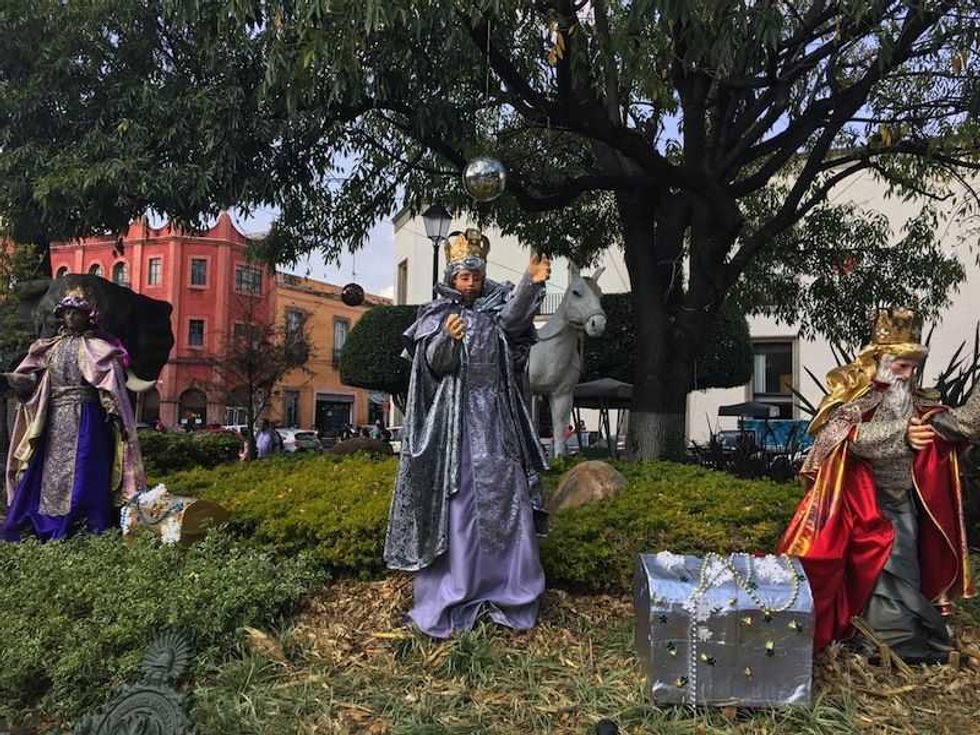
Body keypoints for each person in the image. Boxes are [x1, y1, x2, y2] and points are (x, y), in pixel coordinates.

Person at [779, 308, 977, 663]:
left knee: (907, 570)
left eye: (913, 368)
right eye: (901, 366)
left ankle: (900, 638)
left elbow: (959, 425)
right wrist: (902, 434)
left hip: (906, 503)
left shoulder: (921, 405)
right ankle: (882, 639)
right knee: (876, 572)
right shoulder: (857, 402)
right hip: (864, 507)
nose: (908, 375)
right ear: (879, 362)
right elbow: (840, 439)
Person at [384, 227, 551, 638]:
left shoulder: (495, 310)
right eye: (464, 276)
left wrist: (531, 282)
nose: (472, 282)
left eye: (476, 274)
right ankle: (456, 590)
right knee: (460, 506)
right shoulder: (437, 314)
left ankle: (508, 590)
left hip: (497, 424)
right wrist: (446, 339)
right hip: (455, 430)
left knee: (508, 500)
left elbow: (514, 319)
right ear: (452, 276)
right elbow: (433, 367)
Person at [2, 287, 146, 541]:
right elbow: (32, 379)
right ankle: (45, 520)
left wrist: (114, 410)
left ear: (87, 317)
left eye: (76, 314)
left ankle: (85, 521)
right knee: (47, 469)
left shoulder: (99, 349)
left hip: (88, 419)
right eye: (67, 314)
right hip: (54, 419)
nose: (71, 319)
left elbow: (112, 385)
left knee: (87, 467)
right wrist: (18, 382)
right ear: (61, 317)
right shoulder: (47, 348)